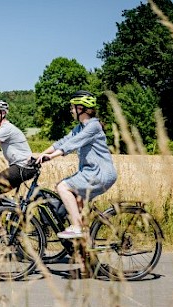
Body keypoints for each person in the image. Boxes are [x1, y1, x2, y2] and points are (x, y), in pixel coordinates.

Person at [36, 90, 117, 239]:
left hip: (99, 173)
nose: (71, 111)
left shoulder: (93, 126)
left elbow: (72, 144)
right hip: (91, 173)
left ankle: (77, 227)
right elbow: (62, 142)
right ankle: (84, 243)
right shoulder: (80, 127)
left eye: (72, 108)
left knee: (63, 186)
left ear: (81, 109)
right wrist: (40, 155)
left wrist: (51, 157)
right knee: (77, 199)